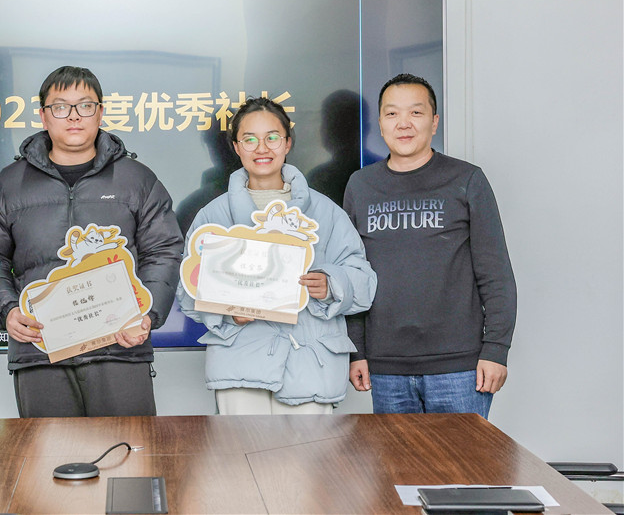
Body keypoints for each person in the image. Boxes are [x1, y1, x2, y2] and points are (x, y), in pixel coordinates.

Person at [0, 66, 183, 417]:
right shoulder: (8, 184)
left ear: (100, 113)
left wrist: (147, 314)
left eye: (85, 106)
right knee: (49, 452)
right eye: (61, 107)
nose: (74, 116)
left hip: (119, 348)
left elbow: (164, 250)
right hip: (40, 351)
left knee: (129, 448)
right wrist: (7, 310)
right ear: (43, 116)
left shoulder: (138, 180)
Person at [179, 97, 376, 414]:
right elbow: (187, 292)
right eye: (249, 139)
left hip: (311, 365)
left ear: (287, 142)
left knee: (312, 450)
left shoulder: (326, 212)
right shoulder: (213, 216)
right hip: (240, 366)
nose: (262, 148)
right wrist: (228, 313)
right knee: (243, 447)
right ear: (236, 147)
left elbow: (363, 279)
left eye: (272, 137)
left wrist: (332, 284)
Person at [344, 73, 516, 418]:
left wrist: (496, 350)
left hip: (460, 367)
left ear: (434, 122)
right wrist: (356, 351)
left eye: (416, 112)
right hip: (386, 367)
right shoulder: (361, 185)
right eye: (392, 113)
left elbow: (495, 274)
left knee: (461, 457)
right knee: (397, 457)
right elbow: (352, 274)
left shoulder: (467, 179)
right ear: (380, 123)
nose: (403, 123)